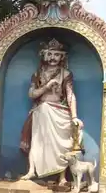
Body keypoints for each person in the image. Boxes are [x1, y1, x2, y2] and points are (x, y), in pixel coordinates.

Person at [20, 38, 83, 184]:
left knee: (62, 145)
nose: (53, 57)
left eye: (56, 54)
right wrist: (46, 87)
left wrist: (74, 117)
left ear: (62, 57)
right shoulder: (37, 74)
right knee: (37, 142)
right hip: (41, 111)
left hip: (60, 113)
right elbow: (31, 94)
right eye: (50, 54)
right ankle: (31, 170)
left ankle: (62, 177)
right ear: (44, 55)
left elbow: (70, 95)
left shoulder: (66, 74)